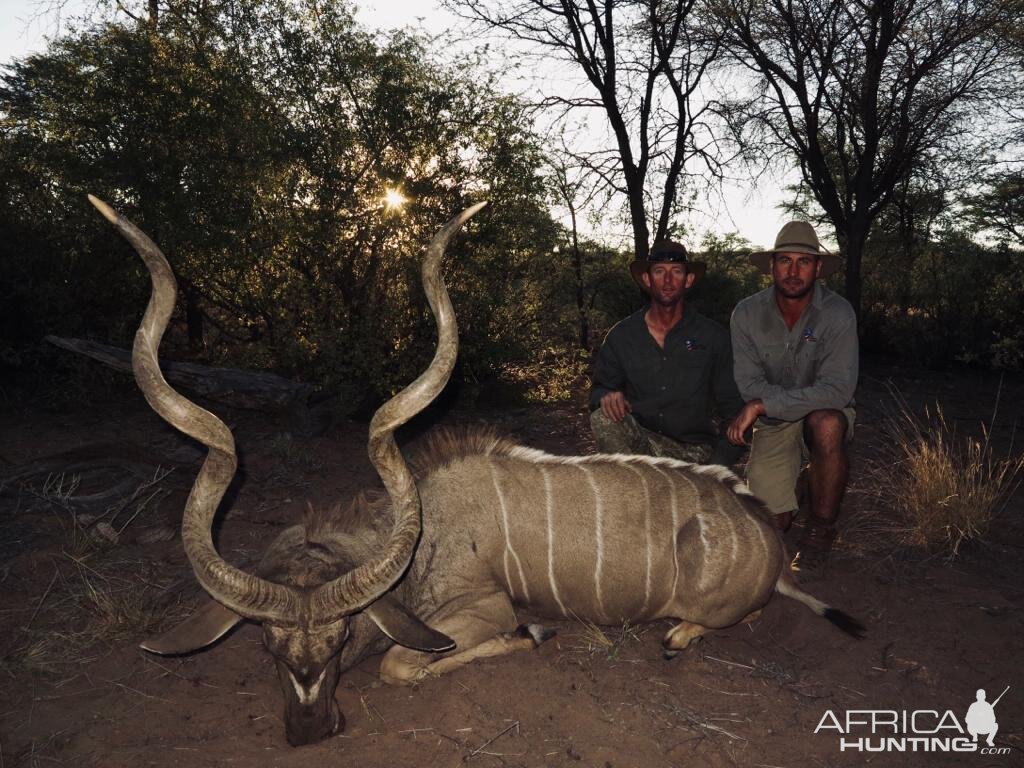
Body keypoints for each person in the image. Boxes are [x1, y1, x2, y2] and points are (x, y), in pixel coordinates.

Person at [727, 221, 858, 566]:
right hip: (772, 423)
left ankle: (820, 528)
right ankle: (802, 481)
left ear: (818, 268)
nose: (794, 271)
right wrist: (766, 405)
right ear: (771, 266)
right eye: (785, 261)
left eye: (804, 262)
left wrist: (766, 403)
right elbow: (749, 384)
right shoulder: (745, 313)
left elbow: (838, 390)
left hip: (818, 411)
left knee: (828, 424)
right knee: (770, 526)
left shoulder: (838, 313)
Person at [590, 240, 743, 466]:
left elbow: (734, 410)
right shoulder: (622, 335)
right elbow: (597, 391)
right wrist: (606, 396)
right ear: (647, 279)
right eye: (659, 271)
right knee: (603, 418)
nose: (668, 280)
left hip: (695, 453)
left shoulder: (713, 336)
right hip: (641, 448)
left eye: (677, 272)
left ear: (688, 280)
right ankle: (631, 492)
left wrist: (717, 467)